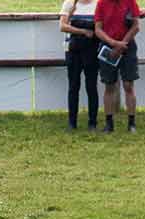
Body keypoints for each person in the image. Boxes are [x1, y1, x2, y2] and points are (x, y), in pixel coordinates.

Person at [94, 0, 141, 133]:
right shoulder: (102, 3)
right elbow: (98, 29)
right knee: (109, 85)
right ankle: (109, 123)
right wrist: (113, 43)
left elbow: (136, 26)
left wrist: (121, 45)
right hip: (108, 47)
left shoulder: (130, 2)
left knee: (128, 85)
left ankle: (131, 123)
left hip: (127, 46)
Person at [60, 0, 100, 130]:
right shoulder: (70, 3)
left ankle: (92, 122)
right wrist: (83, 31)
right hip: (73, 51)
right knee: (73, 86)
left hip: (92, 50)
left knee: (91, 87)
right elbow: (62, 26)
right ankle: (72, 122)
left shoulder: (98, 4)